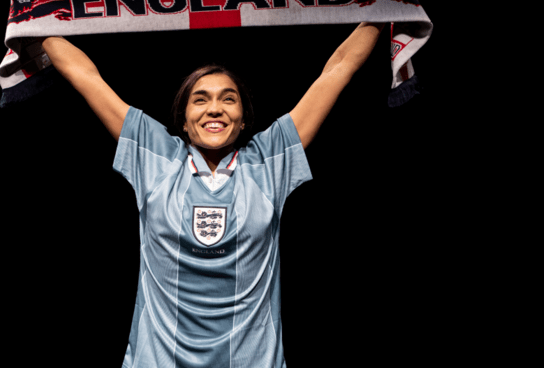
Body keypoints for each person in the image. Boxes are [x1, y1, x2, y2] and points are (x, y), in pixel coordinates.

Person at [40, 21, 384, 368]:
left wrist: (382, 8)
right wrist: (33, 20)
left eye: (228, 99)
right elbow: (84, 75)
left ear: (244, 119)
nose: (215, 109)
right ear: (184, 121)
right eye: (200, 100)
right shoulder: (155, 154)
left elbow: (338, 68)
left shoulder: (269, 159)